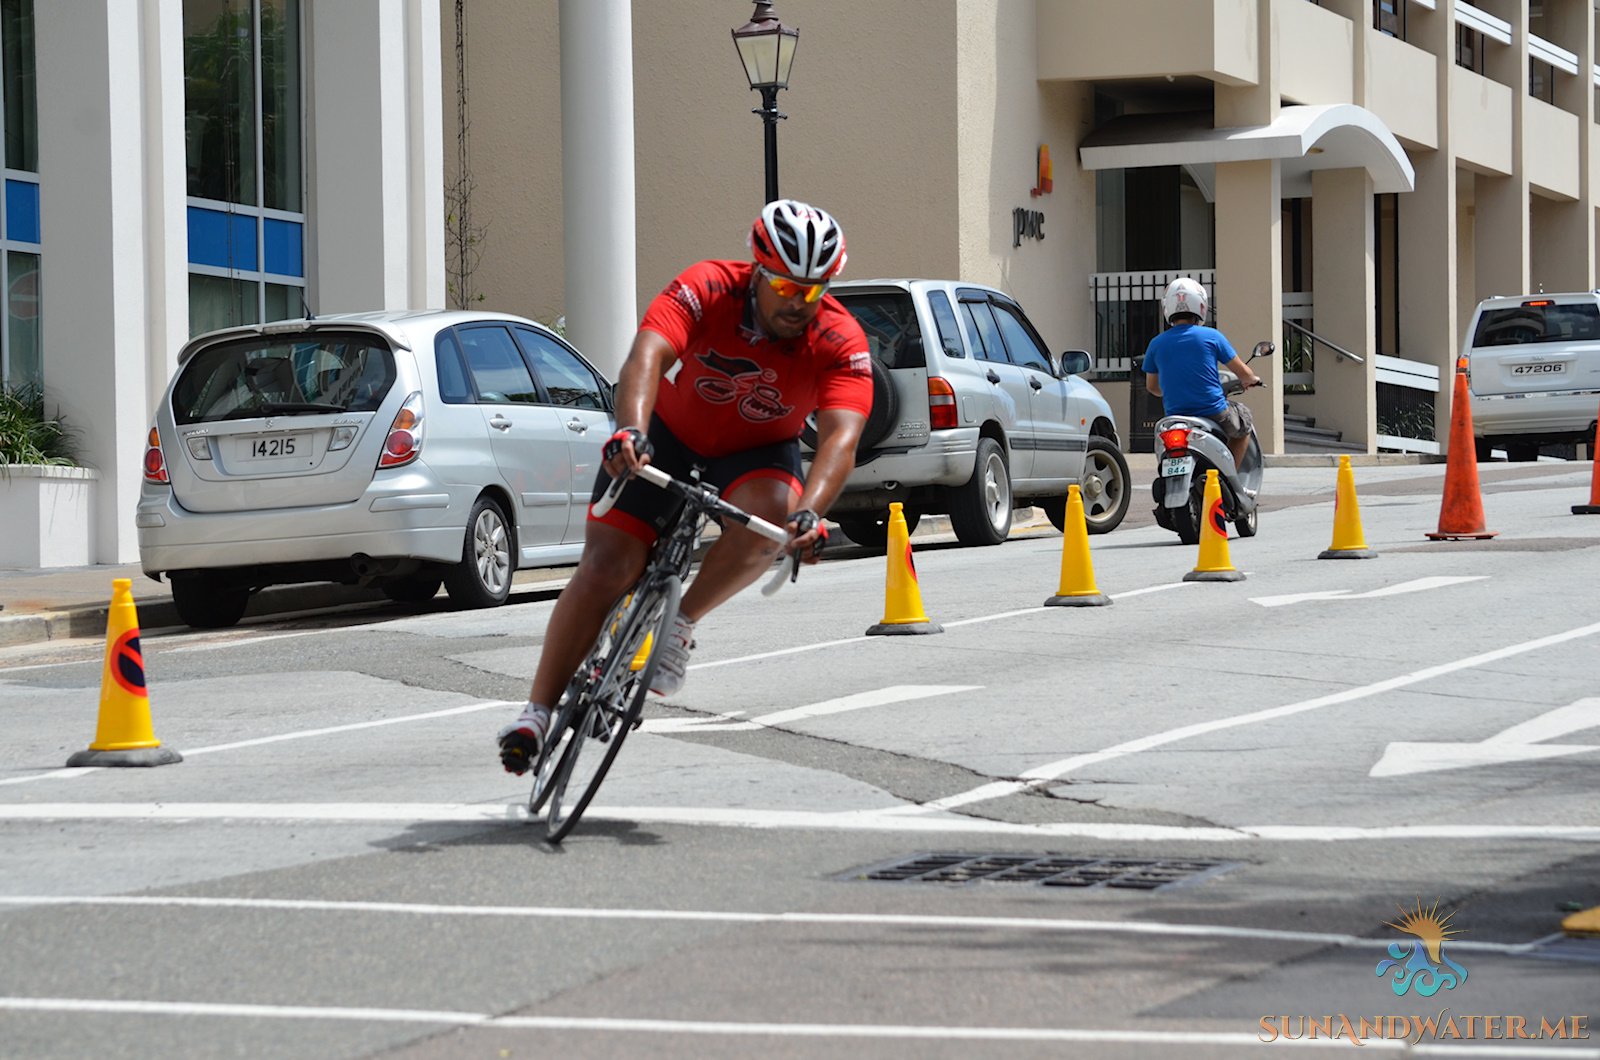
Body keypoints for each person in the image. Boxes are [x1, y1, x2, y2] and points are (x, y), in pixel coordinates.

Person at [497, 199, 874, 774]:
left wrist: (811, 513)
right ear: (757, 272)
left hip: (755, 451)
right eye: (785, 287)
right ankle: (537, 712)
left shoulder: (840, 338)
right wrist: (630, 430)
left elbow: (840, 439)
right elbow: (646, 355)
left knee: (774, 516)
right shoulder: (708, 286)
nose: (799, 303)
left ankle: (679, 624)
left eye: (813, 291)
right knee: (607, 567)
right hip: (668, 433)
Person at [1142, 277, 1261, 469]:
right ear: (1201, 306)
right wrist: (1252, 379)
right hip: (1212, 411)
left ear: (1167, 308)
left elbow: (1152, 387)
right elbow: (1243, 373)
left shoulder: (1156, 343)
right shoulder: (1212, 336)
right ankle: (1227, 474)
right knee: (1244, 423)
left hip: (1175, 415)